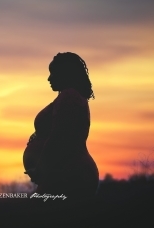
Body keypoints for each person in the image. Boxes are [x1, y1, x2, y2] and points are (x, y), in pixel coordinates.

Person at [23, 52, 99, 202]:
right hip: (64, 172)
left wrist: (41, 168)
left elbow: (60, 138)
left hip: (70, 174)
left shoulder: (70, 96)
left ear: (65, 74)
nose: (49, 78)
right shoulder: (69, 97)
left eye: (53, 73)